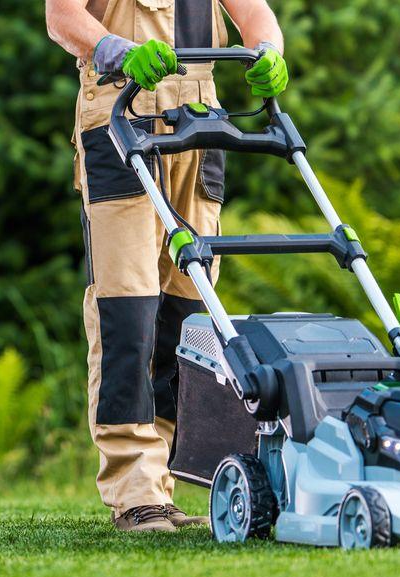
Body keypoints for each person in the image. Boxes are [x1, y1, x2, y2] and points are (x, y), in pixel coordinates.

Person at [45, 0, 289, 532]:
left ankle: (167, 483)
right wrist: (118, 51)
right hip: (119, 115)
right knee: (127, 310)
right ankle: (135, 489)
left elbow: (256, 16)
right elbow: (61, 17)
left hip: (198, 126)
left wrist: (269, 50)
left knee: (190, 315)